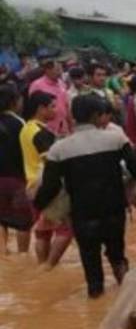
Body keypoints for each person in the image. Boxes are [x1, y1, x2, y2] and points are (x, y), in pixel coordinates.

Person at [34, 94, 136, 298]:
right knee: (118, 257)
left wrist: (38, 205)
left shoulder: (59, 149)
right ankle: (128, 299)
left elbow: (50, 187)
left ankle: (96, 299)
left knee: (91, 263)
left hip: (82, 215)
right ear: (96, 115)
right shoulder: (116, 139)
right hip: (114, 210)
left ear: (73, 116)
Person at [19, 91, 73, 266]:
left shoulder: (26, 128)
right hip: (46, 184)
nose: (56, 110)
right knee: (66, 228)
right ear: (41, 109)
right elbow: (51, 163)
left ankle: (42, 266)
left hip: (31, 185)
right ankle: (49, 266)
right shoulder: (41, 133)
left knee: (43, 231)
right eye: (52, 106)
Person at [0, 85, 31, 254]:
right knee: (23, 222)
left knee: (1, 220)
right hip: (16, 179)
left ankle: (3, 254)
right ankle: (23, 256)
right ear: (13, 102)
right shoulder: (19, 123)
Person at [28, 59, 71, 137]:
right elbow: (33, 108)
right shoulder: (37, 85)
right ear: (48, 70)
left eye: (61, 69)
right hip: (47, 129)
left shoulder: (61, 83)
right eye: (57, 70)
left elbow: (66, 105)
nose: (60, 72)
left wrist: (70, 124)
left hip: (64, 127)